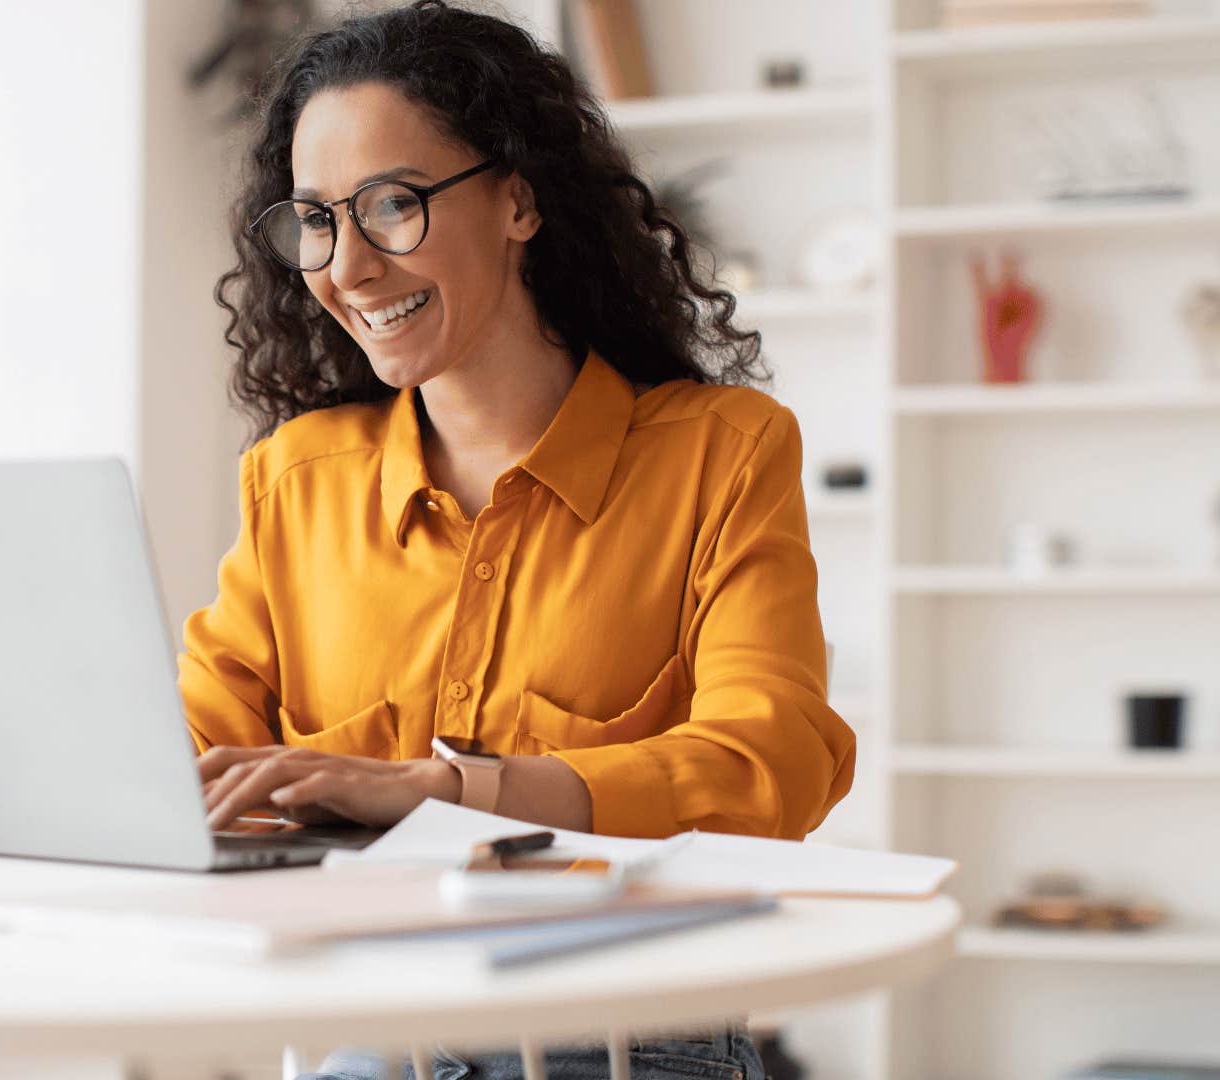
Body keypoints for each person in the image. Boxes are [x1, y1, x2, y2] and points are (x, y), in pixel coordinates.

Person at [179, 3, 855, 1077]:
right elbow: (195, 758)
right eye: (315, 219)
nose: (347, 266)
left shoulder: (719, 452)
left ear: (520, 201)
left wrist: (454, 793)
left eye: (391, 205)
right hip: (373, 1023)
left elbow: (772, 762)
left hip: (628, 1037)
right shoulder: (298, 480)